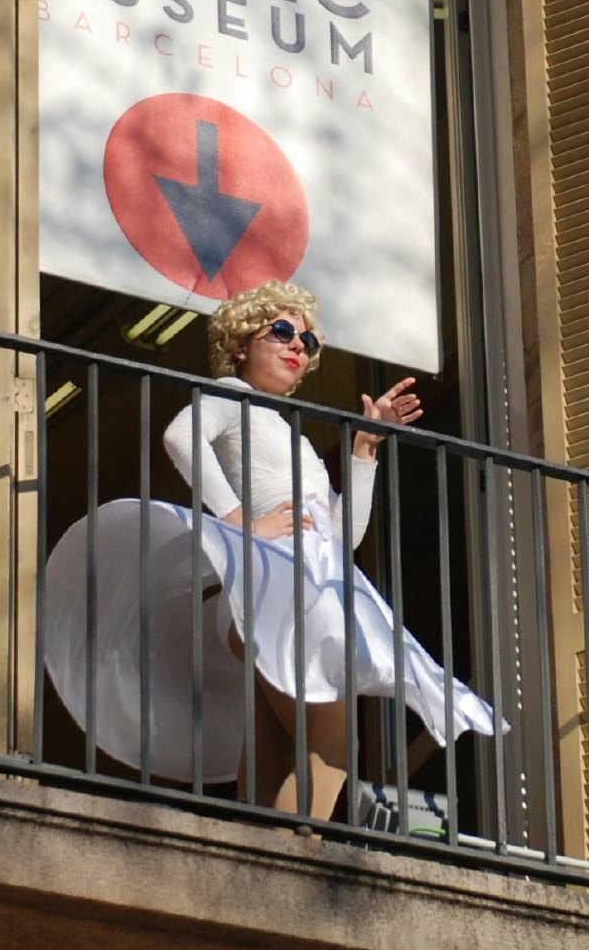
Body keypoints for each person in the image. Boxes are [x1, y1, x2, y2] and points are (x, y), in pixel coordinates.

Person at [40, 282, 499, 821]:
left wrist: (365, 450)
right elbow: (180, 437)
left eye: (308, 340)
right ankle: (297, 863)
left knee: (273, 747)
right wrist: (238, 523)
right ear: (240, 345)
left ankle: (259, 857)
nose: (297, 345)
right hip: (276, 590)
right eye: (281, 331)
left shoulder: (291, 436)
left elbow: (342, 535)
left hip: (291, 588)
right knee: (332, 743)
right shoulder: (232, 396)